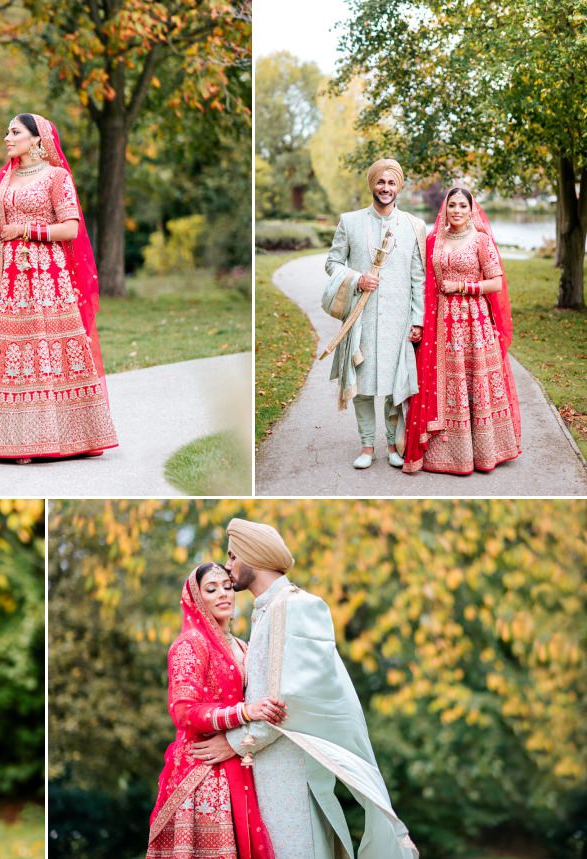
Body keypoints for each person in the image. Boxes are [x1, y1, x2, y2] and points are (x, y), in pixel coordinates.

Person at [193, 519, 417, 858]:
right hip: (265, 770)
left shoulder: (298, 605)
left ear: (255, 556)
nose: (228, 566)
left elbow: (292, 698)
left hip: (291, 773)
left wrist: (234, 743)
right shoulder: (265, 611)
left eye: (233, 556)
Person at [0, 113, 118, 462]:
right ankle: (2, 439)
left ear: (36, 139)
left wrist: (28, 231)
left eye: (15, 132)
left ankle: (57, 437)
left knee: (42, 349)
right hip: (5, 276)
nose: (7, 138)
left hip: (46, 279)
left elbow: (70, 229)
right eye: (7, 131)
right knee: (7, 350)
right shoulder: (4, 177)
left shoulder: (56, 177)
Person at [147, 563, 280, 859]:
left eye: (227, 586)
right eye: (211, 589)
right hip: (202, 774)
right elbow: (184, 713)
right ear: (195, 598)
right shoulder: (190, 645)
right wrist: (243, 713)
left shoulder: (244, 648)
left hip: (238, 763)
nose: (223, 594)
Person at [403, 187, 521, 474]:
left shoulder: (481, 240)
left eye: (462, 206)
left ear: (471, 210)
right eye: (451, 205)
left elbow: (496, 283)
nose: (456, 210)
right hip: (443, 323)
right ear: (445, 210)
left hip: (475, 322)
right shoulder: (435, 241)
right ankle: (451, 454)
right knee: (450, 383)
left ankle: (485, 453)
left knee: (476, 381)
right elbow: (421, 280)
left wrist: (463, 287)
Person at [324, 158, 426, 469]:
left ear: (399, 187)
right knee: (364, 384)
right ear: (372, 185)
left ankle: (394, 446)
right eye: (380, 182)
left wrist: (418, 319)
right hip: (361, 316)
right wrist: (357, 279)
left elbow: (418, 277)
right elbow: (332, 264)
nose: (385, 188)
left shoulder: (413, 226)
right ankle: (367, 446)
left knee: (395, 386)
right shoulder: (350, 222)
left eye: (391, 183)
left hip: (399, 320)